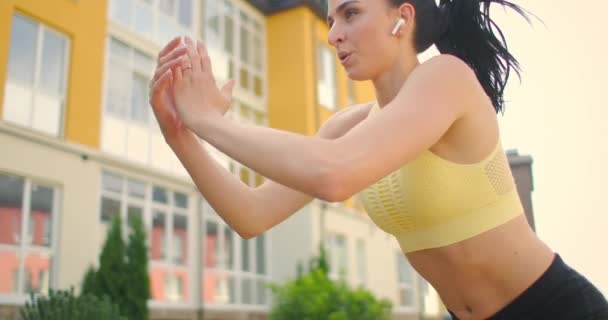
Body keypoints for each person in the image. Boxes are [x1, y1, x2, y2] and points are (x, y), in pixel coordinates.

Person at [148, 0, 608, 319]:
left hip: (554, 308)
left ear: (401, 18)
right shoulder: (348, 128)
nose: (333, 35)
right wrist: (182, 135)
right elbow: (251, 214)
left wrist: (207, 118)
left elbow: (333, 175)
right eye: (331, 20)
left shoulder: (447, 79)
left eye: (350, 14)